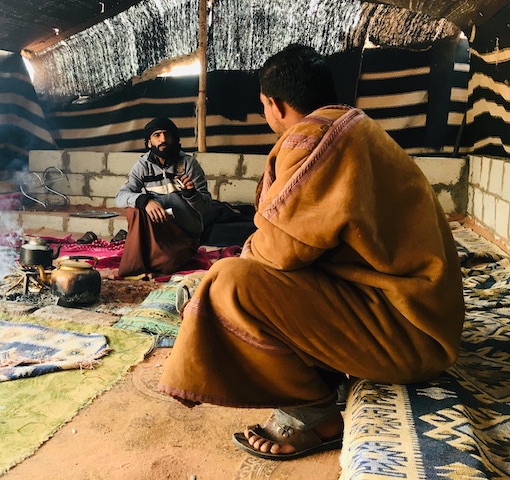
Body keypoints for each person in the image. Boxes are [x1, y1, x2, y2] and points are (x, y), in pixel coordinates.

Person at [158, 44, 465, 461]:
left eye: (264, 106)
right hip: (419, 321)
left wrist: (208, 281)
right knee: (225, 278)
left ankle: (314, 414)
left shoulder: (314, 137)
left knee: (229, 284)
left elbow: (279, 252)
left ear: (275, 104)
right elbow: (305, 246)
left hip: (410, 337)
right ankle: (321, 379)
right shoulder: (352, 127)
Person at [115, 117, 212, 277]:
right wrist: (145, 201)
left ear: (174, 139)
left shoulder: (188, 164)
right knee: (135, 210)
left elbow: (206, 206)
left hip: (184, 234)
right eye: (157, 135)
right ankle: (139, 263)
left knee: (167, 265)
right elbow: (121, 196)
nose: (163, 139)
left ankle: (143, 260)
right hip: (158, 229)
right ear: (149, 143)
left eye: (167, 135)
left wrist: (191, 194)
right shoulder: (142, 165)